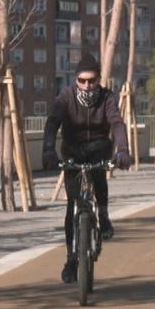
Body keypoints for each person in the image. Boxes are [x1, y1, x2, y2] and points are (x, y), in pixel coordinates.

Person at [42, 53, 133, 284]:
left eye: (92, 80)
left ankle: (103, 215)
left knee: (98, 175)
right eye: (82, 80)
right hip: (72, 149)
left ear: (99, 79)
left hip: (99, 147)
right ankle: (71, 259)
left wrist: (122, 150)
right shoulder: (66, 96)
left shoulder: (107, 98)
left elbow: (117, 123)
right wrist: (48, 150)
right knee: (73, 204)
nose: (87, 85)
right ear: (76, 80)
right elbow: (53, 123)